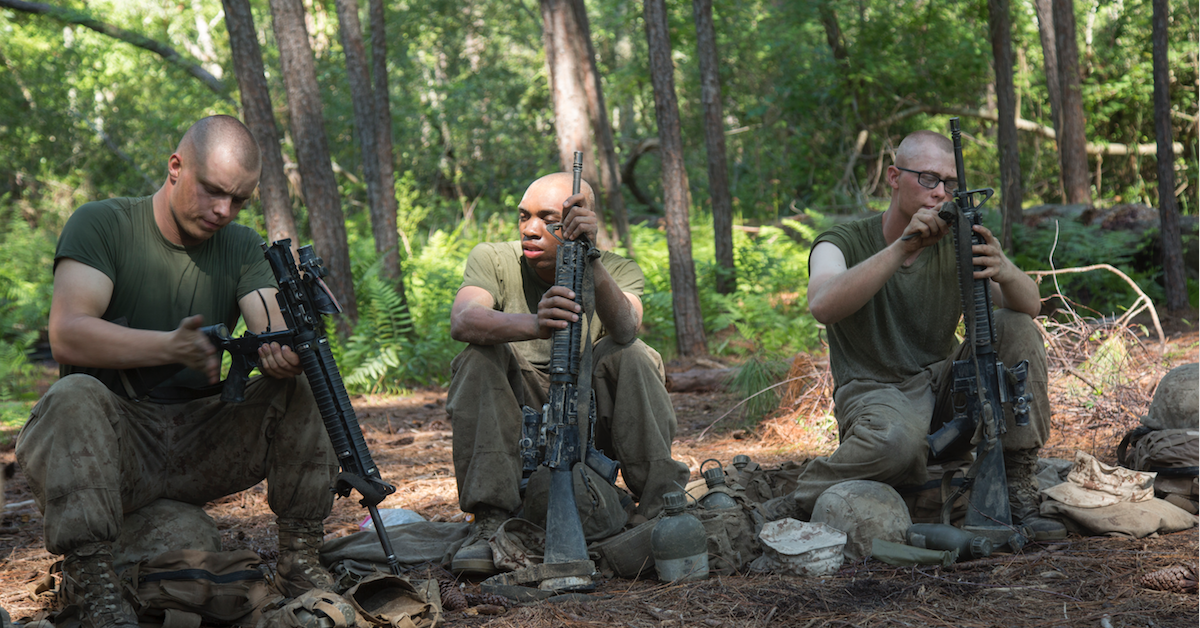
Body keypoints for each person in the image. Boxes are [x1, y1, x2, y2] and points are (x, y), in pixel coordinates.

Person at [15, 116, 339, 628]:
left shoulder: (240, 244)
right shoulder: (103, 224)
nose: (222, 211)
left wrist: (286, 348)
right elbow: (69, 332)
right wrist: (170, 347)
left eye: (238, 201)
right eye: (213, 191)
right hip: (116, 449)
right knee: (73, 394)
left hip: (202, 443)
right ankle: (97, 585)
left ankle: (300, 559)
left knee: (303, 384)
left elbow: (269, 319)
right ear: (175, 167)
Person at [764, 130, 1064, 539]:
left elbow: (1028, 305)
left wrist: (1004, 268)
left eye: (950, 183)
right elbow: (822, 305)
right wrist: (902, 248)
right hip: (876, 392)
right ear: (893, 177)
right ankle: (796, 496)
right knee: (894, 446)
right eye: (927, 179)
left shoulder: (957, 240)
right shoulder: (841, 242)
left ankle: (1016, 484)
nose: (940, 193)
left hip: (944, 387)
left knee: (1016, 325)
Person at [445, 172, 691, 574]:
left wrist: (588, 257)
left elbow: (626, 328)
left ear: (581, 222)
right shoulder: (492, 258)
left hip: (587, 416)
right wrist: (535, 324)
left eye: (548, 220)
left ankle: (662, 508)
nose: (530, 229)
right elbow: (463, 319)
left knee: (632, 354)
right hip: (515, 405)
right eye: (523, 216)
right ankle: (489, 522)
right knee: (478, 356)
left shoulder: (616, 269)